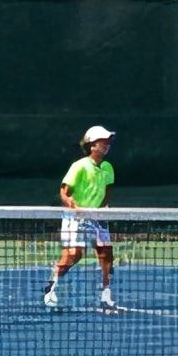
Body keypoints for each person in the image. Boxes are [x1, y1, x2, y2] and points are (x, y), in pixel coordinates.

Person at [44, 126, 118, 310]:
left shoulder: (108, 168)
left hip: (97, 216)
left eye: (109, 141)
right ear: (92, 145)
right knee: (74, 254)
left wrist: (103, 210)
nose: (107, 144)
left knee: (106, 252)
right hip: (75, 217)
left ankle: (106, 293)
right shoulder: (79, 166)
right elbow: (64, 192)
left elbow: (107, 192)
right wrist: (75, 208)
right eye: (103, 141)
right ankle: (51, 285)